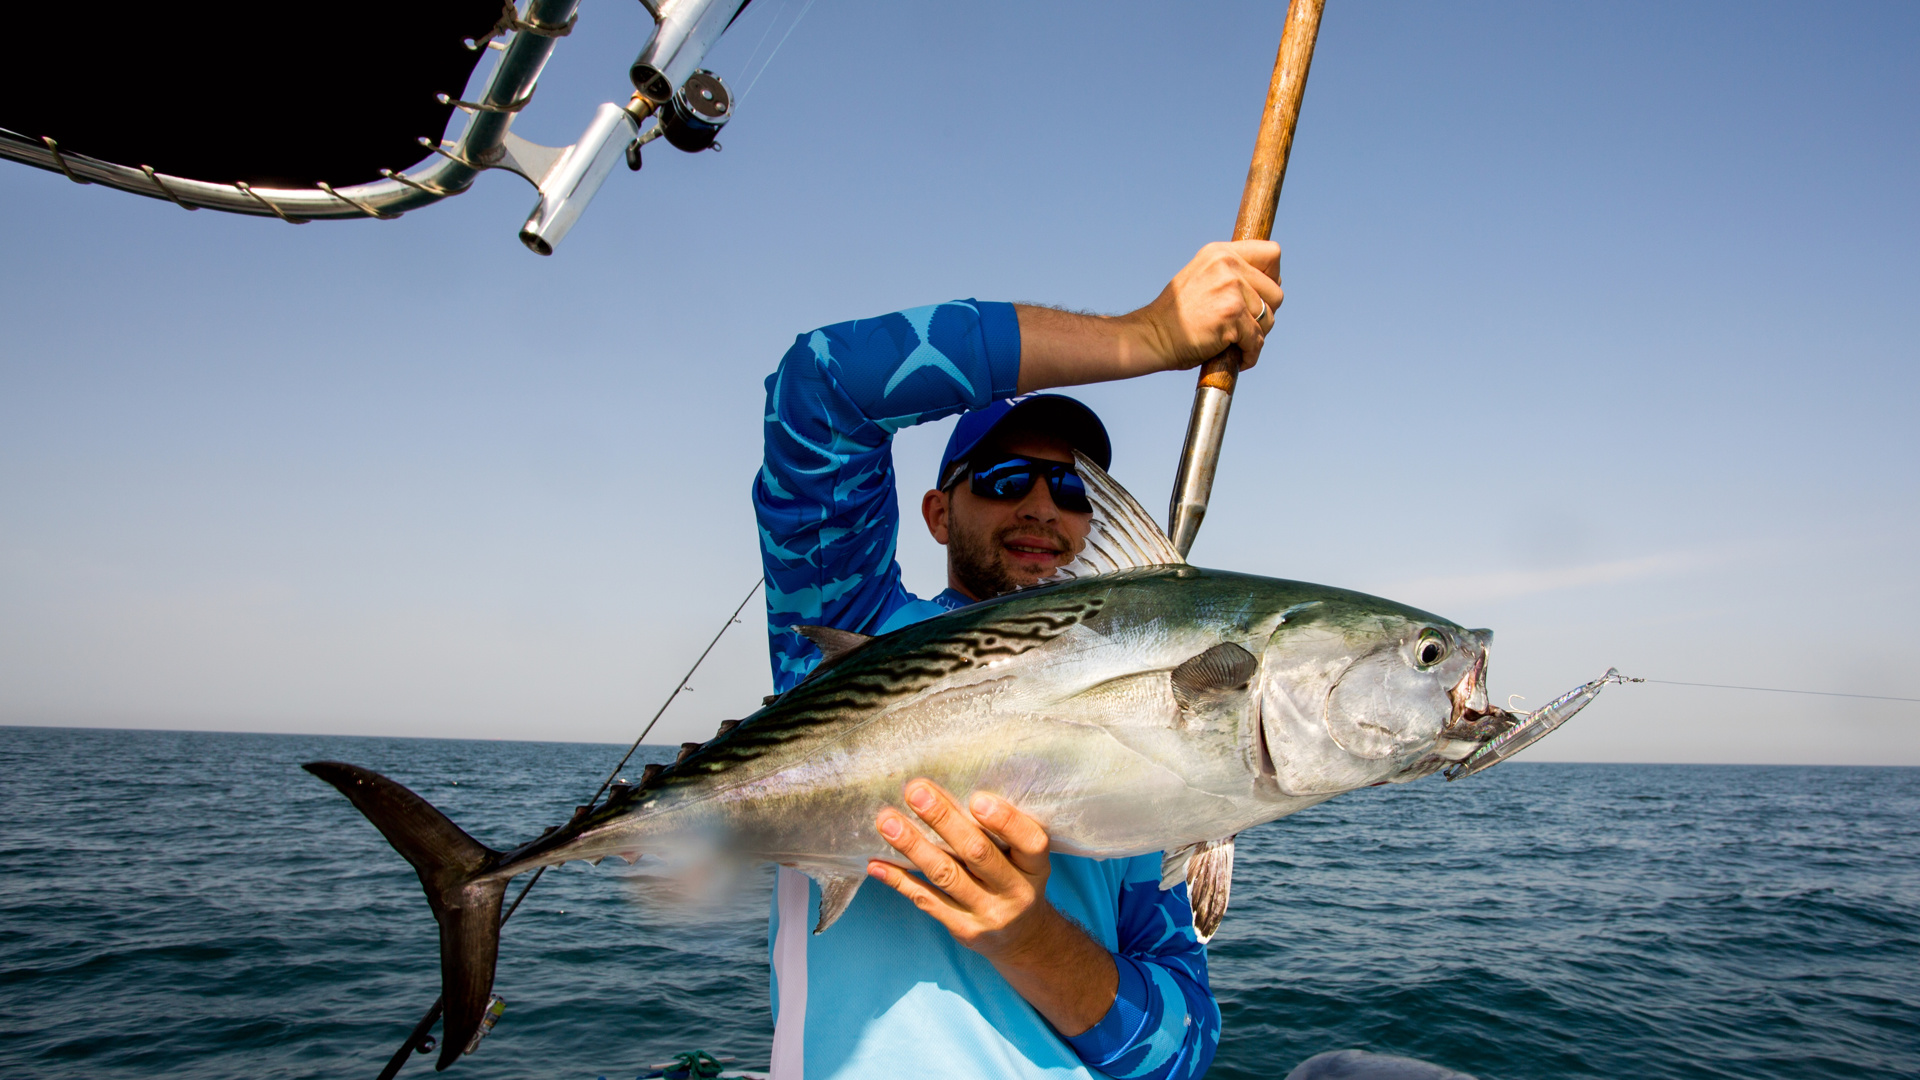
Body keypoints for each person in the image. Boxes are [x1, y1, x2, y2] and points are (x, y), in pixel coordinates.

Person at [754, 240, 1283, 1080]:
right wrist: (1149, 338)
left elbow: (1183, 1050)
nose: (1044, 506)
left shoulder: (1163, 763)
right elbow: (823, 381)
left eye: (1075, 490)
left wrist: (1026, 936)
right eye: (1005, 478)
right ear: (937, 510)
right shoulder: (848, 630)